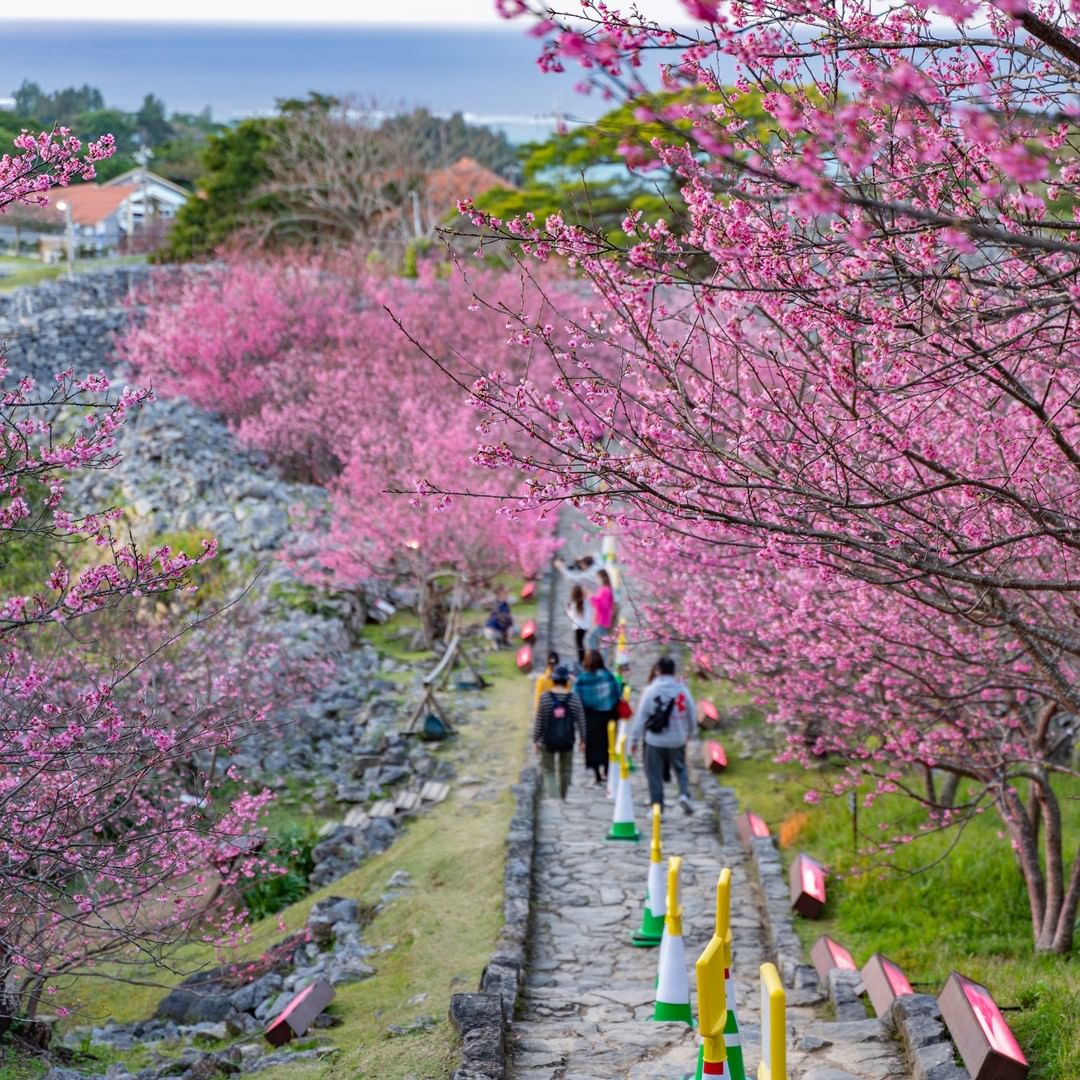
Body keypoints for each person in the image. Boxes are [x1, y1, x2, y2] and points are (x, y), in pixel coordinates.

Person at [629, 656, 697, 814]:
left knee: (654, 774)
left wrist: (634, 739)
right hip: (678, 738)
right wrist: (690, 733)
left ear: (657, 671)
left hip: (655, 740)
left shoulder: (651, 691)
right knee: (680, 768)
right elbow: (692, 714)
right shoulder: (682, 690)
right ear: (674, 672)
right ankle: (684, 794)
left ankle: (657, 808)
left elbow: (641, 717)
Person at [533, 665, 586, 800]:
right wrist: (583, 740)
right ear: (567, 681)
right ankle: (562, 797)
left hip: (548, 740)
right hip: (567, 740)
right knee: (566, 770)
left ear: (553, 680)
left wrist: (536, 740)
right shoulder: (574, 698)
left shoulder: (545, 698)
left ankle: (554, 797)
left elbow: (539, 720)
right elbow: (581, 720)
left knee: (548, 770)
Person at [574, 650, 622, 785]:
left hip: (590, 717)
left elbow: (576, 698)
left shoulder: (582, 680)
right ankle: (607, 770)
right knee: (607, 744)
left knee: (592, 747)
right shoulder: (608, 676)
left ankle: (597, 775)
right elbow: (616, 694)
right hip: (608, 716)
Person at [586, 569, 615, 651]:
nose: (597, 580)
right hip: (602, 619)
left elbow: (604, 606)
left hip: (602, 619)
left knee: (591, 639)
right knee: (604, 642)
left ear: (603, 578)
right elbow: (597, 604)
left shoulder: (605, 590)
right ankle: (601, 661)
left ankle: (596, 659)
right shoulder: (603, 589)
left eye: (597, 578)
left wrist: (592, 598)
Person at [565, 584, 592, 666]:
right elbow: (590, 612)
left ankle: (581, 659)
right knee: (581, 642)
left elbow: (571, 616)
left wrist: (567, 609)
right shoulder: (586, 602)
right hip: (585, 626)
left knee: (579, 643)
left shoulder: (573, 604)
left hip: (577, 626)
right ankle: (582, 658)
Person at [482, 585, 514, 649]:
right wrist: (507, 636)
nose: (507, 594)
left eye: (507, 592)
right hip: (492, 631)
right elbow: (502, 620)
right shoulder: (499, 605)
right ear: (500, 593)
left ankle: (498, 642)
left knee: (512, 626)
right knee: (511, 628)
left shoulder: (501, 603)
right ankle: (500, 641)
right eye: (505, 593)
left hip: (489, 629)